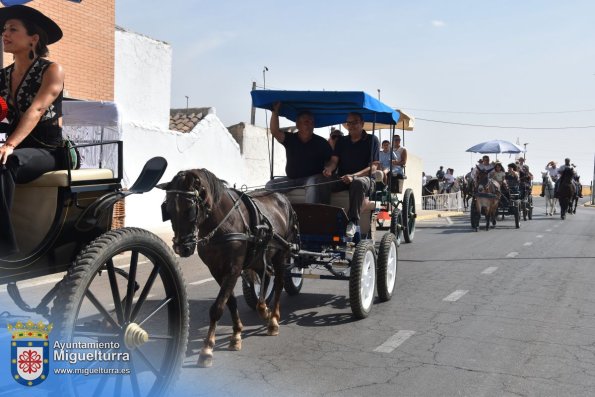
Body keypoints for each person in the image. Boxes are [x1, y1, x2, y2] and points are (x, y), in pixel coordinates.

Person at [0, 5, 65, 256]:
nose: (5, 34)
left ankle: (6, 251)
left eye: (13, 29)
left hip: (46, 151)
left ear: (33, 39)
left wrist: (9, 144)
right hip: (18, 147)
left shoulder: (51, 70)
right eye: (4, 29)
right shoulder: (2, 76)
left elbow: (36, 110)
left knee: (7, 162)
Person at [323, 112, 380, 238]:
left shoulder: (372, 140)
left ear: (362, 123)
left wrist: (354, 176)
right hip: (344, 178)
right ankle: (323, 218)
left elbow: (374, 167)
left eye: (355, 122)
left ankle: (353, 221)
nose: (351, 125)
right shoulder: (341, 141)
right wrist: (329, 169)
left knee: (357, 183)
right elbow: (334, 161)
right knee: (323, 182)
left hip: (365, 180)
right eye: (349, 123)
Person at [266, 102, 332, 204]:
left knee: (312, 184)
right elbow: (275, 131)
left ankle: (311, 216)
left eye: (311, 122)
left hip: (312, 179)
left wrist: (328, 168)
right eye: (306, 122)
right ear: (297, 124)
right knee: (270, 185)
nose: (309, 125)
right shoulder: (290, 138)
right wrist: (275, 112)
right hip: (292, 179)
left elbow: (330, 160)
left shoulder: (321, 142)